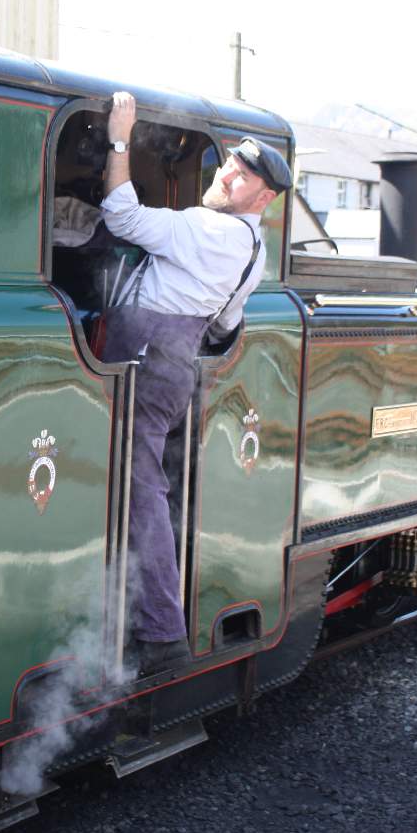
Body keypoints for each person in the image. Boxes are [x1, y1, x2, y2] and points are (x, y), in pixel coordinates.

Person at [93, 90, 291, 675]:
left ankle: (160, 633)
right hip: (172, 360)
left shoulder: (213, 230)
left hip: (147, 356)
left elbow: (122, 215)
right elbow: (226, 322)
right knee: (144, 483)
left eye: (243, 173)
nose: (227, 173)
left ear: (265, 196)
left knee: (140, 489)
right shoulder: (254, 249)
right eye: (230, 163)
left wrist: (120, 139)